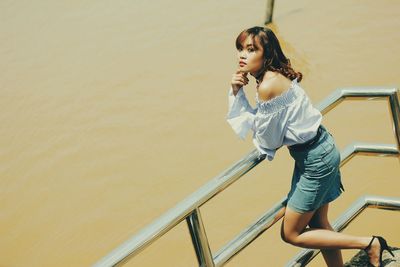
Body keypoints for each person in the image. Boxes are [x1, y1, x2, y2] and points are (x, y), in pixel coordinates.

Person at [226, 26, 395, 267]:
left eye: (251, 49)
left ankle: (369, 243)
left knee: (291, 233)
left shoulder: (268, 85)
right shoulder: (273, 75)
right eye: (240, 49)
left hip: (315, 160)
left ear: (267, 54)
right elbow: (268, 124)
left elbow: (268, 140)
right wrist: (238, 91)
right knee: (319, 224)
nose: (242, 55)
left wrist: (236, 94)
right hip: (320, 149)